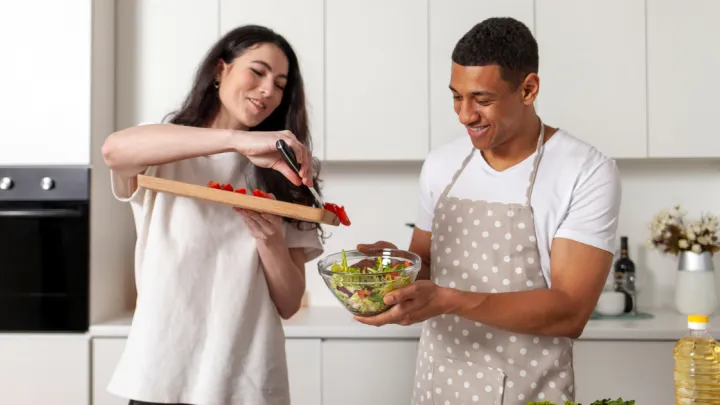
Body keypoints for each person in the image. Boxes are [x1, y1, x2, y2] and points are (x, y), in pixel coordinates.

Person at [356, 17, 621, 405]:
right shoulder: (441, 165)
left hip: (530, 390)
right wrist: (396, 269)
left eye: (482, 99)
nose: (465, 115)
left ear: (528, 89)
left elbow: (570, 310)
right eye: (456, 97)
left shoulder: (585, 171)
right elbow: (427, 267)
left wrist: (450, 299)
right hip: (439, 383)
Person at [101, 25, 325, 405]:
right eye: (257, 71)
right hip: (161, 376)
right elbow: (113, 151)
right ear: (220, 70)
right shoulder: (161, 148)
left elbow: (289, 303)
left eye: (281, 83)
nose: (269, 90)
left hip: (249, 380)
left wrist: (270, 241)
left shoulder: (288, 170)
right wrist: (237, 141)